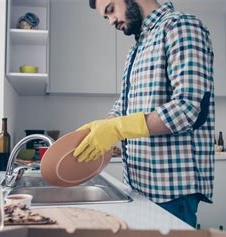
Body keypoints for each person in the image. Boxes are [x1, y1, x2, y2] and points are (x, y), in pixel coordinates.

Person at [73, 0, 215, 227]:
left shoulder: (180, 26)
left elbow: (188, 108)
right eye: (105, 17)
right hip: (138, 186)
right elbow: (126, 103)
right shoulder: (137, 48)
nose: (111, 21)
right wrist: (103, 126)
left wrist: (118, 128)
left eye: (110, 9)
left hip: (171, 191)